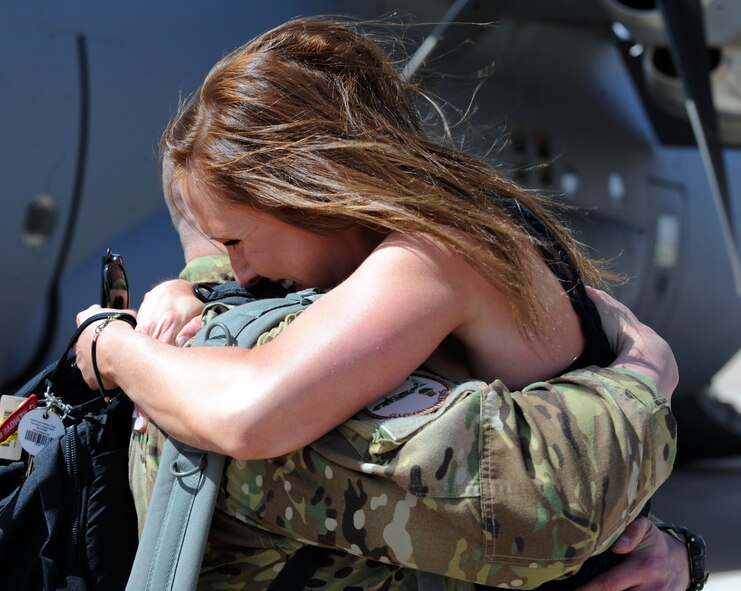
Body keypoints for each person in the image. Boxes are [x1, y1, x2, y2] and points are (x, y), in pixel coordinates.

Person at [71, 17, 690, 590]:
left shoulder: (435, 253)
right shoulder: (456, 230)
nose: (241, 269)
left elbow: (248, 411)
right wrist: (186, 291)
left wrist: (113, 346)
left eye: (236, 240)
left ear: (306, 188)